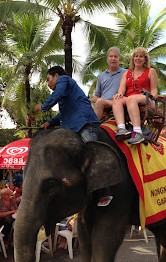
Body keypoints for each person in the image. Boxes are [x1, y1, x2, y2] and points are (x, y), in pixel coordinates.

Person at [35, 66, 112, 206]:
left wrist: (43, 107)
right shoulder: (65, 94)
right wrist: (50, 122)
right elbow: (63, 114)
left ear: (56, 76)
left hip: (85, 123)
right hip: (74, 128)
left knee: (90, 155)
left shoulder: (64, 80)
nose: (48, 84)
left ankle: (104, 192)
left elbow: (57, 95)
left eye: (48, 80)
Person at [112, 47, 158, 144]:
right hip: (129, 98)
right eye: (136, 56)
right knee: (117, 99)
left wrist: (153, 95)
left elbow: (154, 89)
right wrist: (119, 93)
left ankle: (138, 132)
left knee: (131, 99)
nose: (138, 58)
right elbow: (121, 89)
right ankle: (121, 129)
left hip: (145, 97)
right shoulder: (127, 73)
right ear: (133, 59)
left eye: (141, 56)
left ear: (145, 59)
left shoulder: (150, 71)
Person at [90, 47, 127, 120]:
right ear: (107, 60)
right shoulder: (101, 76)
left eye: (115, 56)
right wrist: (87, 100)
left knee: (100, 102)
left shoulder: (126, 73)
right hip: (102, 102)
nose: (113, 58)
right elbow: (97, 96)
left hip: (116, 102)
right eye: (111, 56)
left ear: (119, 60)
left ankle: (93, 127)